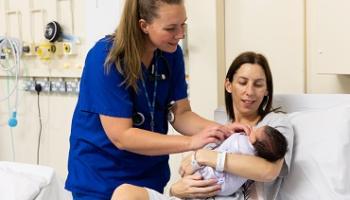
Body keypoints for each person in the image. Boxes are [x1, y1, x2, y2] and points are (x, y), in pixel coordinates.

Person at [64, 0, 252, 199]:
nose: (180, 35)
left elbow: (181, 114)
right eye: (171, 28)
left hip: (149, 175)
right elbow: (122, 136)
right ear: (143, 25)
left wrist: (220, 131)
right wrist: (191, 143)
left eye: (183, 24)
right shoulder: (106, 58)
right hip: (102, 177)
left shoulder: (170, 54)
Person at [113, 51, 294, 200]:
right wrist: (176, 190)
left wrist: (203, 156)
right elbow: (190, 176)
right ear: (229, 85)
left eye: (258, 85)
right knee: (126, 193)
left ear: (267, 90)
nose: (249, 91)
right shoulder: (217, 132)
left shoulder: (275, 124)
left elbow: (268, 171)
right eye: (242, 82)